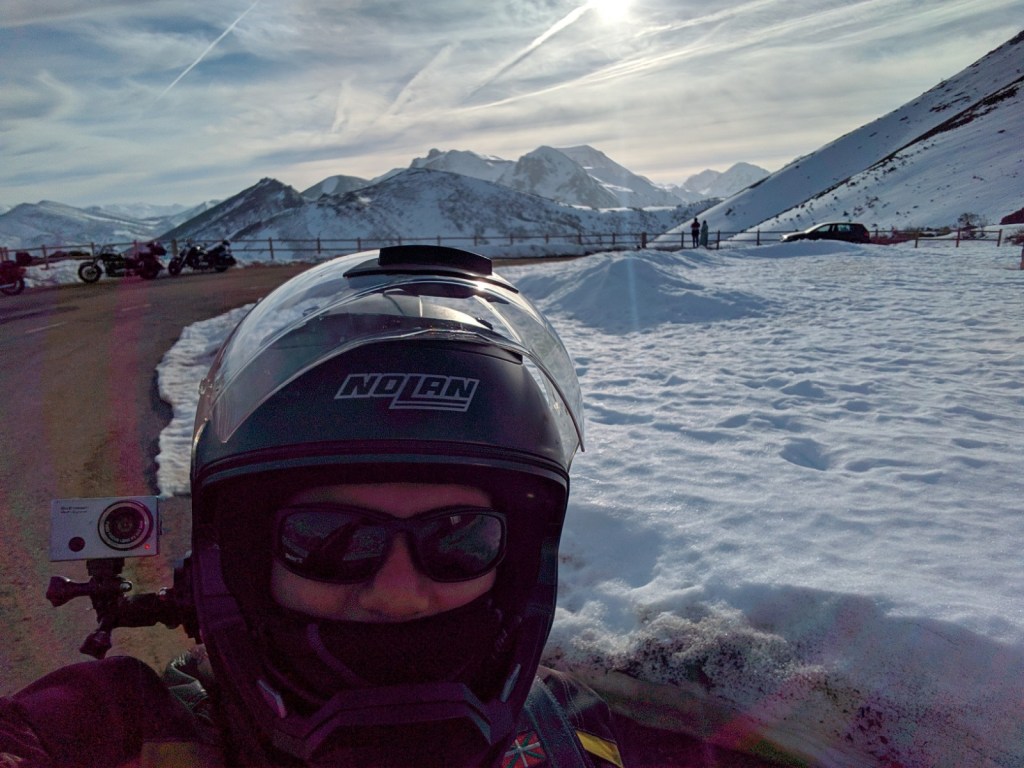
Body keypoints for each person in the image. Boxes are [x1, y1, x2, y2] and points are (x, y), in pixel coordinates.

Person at [0, 245, 624, 767]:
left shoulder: (571, 724)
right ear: (243, 562)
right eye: (332, 539)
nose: (398, 596)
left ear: (516, 562)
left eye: (459, 538)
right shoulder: (113, 726)